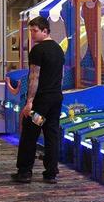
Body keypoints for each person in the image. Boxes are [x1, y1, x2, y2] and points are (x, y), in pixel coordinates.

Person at [11, 16, 65, 184]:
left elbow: (34, 77)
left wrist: (29, 102)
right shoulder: (58, 49)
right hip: (56, 99)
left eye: (35, 31)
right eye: (31, 30)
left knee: (30, 133)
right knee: (51, 133)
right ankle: (51, 173)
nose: (32, 34)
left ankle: (25, 172)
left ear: (45, 31)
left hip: (40, 102)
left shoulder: (37, 50)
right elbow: (61, 76)